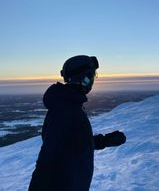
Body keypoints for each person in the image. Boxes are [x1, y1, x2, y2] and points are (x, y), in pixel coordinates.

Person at [28, 55, 126, 191]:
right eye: (92, 75)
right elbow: (47, 159)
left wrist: (105, 141)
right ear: (84, 77)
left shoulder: (70, 105)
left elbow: (75, 143)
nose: (93, 79)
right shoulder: (65, 110)